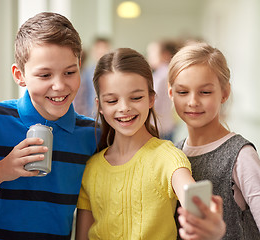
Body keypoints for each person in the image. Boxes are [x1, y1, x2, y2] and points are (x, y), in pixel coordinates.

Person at [0, 12, 99, 239]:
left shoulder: (92, 135)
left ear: (80, 66)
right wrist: (2, 170)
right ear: (20, 75)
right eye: (45, 75)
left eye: (70, 72)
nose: (59, 85)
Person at [75, 48, 225, 240]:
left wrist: (210, 225)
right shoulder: (91, 169)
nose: (124, 108)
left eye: (136, 97)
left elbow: (192, 197)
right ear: (100, 106)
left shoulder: (167, 156)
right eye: (112, 100)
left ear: (151, 99)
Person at [168, 42, 260, 239]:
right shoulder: (172, 154)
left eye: (205, 92)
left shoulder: (241, 155)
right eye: (183, 92)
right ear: (171, 94)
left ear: (224, 93)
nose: (193, 101)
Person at [146, 39, 182, 141]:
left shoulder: (161, 76)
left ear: (165, 55)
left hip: (160, 127)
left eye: (152, 53)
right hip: (168, 125)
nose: (149, 57)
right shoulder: (168, 72)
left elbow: (153, 102)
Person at [73, 37, 111, 118]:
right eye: (99, 48)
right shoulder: (87, 72)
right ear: (93, 51)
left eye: (104, 48)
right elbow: (82, 97)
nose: (101, 51)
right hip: (91, 115)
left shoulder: (114, 72)